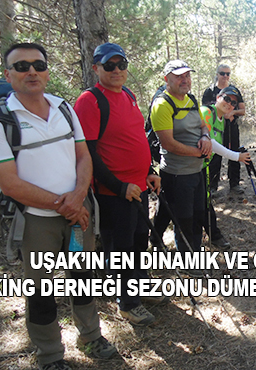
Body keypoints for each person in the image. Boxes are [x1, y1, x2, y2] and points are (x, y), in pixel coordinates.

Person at [0, 42, 116, 370]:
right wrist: (67, 205)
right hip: (37, 221)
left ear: (47, 71)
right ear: (8, 74)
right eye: (22, 66)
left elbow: (83, 155)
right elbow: (10, 184)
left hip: (78, 212)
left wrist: (78, 196)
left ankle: (91, 337)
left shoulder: (63, 109)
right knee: (40, 291)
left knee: (82, 278)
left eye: (38, 65)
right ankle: (51, 356)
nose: (32, 72)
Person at [74, 43, 165, 327]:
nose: (116, 70)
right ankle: (128, 303)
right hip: (113, 192)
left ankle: (140, 287)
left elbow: (135, 136)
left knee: (139, 240)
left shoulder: (128, 94)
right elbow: (87, 152)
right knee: (121, 248)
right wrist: (118, 186)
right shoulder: (89, 101)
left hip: (138, 187)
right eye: (109, 65)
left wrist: (149, 171)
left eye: (121, 64)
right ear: (96, 68)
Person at [151, 86, 251, 250]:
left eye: (233, 103)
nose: (229, 104)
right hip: (182, 168)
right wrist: (235, 156)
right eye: (227, 99)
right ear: (218, 97)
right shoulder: (206, 112)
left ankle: (156, 238)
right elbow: (208, 142)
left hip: (198, 167)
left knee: (172, 205)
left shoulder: (221, 119)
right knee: (181, 207)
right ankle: (206, 239)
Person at [151, 60, 212, 276]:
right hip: (177, 174)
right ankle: (187, 263)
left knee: (197, 215)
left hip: (196, 171)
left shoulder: (191, 99)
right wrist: (198, 152)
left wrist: (205, 137)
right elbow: (167, 143)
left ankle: (195, 254)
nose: (184, 79)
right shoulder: (162, 105)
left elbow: (203, 125)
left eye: (187, 75)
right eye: (178, 76)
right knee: (183, 219)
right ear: (166, 79)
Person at [201, 64, 247, 194]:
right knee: (214, 156)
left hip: (231, 127)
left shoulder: (234, 90)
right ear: (217, 74)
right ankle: (212, 185)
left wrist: (232, 113)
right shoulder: (209, 91)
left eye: (228, 74)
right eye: (222, 73)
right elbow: (206, 109)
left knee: (233, 150)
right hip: (213, 126)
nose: (225, 76)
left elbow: (242, 110)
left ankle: (234, 183)